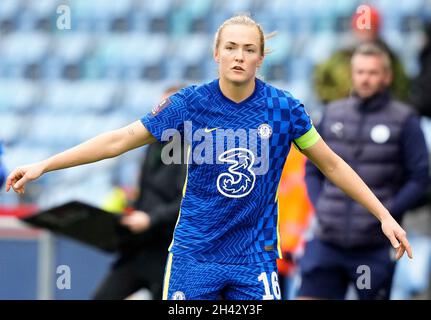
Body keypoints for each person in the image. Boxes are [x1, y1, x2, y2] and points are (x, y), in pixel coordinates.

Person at [6, 15, 412, 300]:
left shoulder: (285, 109)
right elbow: (120, 140)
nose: (239, 55)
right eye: (231, 47)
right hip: (193, 256)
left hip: (254, 259)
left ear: (260, 58)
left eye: (249, 49)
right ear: (216, 53)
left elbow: (333, 164)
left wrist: (383, 215)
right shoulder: (188, 104)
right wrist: (46, 164)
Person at [298, 43, 429, 300]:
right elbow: (312, 169)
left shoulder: (405, 120)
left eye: (372, 72)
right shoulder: (332, 114)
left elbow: (420, 178)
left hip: (372, 247)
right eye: (359, 72)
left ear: (387, 77)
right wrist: (320, 205)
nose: (365, 78)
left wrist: (388, 210)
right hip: (327, 240)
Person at [92, 86, 186, 300]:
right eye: (160, 107)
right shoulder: (153, 144)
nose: (162, 113)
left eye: (169, 108)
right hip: (140, 246)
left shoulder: (192, 150)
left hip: (169, 250)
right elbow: (147, 192)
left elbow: (187, 201)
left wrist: (150, 219)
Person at [314, 5, 409, 104]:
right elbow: (321, 83)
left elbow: (402, 89)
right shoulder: (339, 55)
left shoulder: (389, 57)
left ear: (377, 30)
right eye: (361, 29)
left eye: (370, 29)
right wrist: (339, 102)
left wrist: (386, 105)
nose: (365, 34)